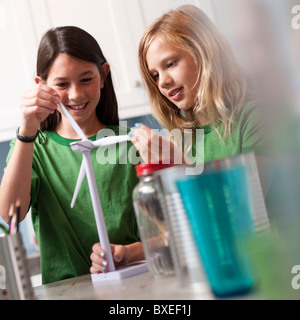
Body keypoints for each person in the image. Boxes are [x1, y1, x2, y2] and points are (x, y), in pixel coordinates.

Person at [0, 26, 144, 284]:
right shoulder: (34, 146)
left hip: (134, 286)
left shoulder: (131, 144)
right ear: (41, 86)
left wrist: (127, 253)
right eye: (62, 84)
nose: (76, 94)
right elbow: (10, 213)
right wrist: (27, 129)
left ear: (103, 76)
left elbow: (168, 232)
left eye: (86, 79)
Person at [129, 5, 271, 192]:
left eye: (170, 64)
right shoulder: (183, 139)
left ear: (204, 53)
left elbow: (244, 202)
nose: (162, 82)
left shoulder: (257, 116)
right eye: (155, 75)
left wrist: (179, 165)